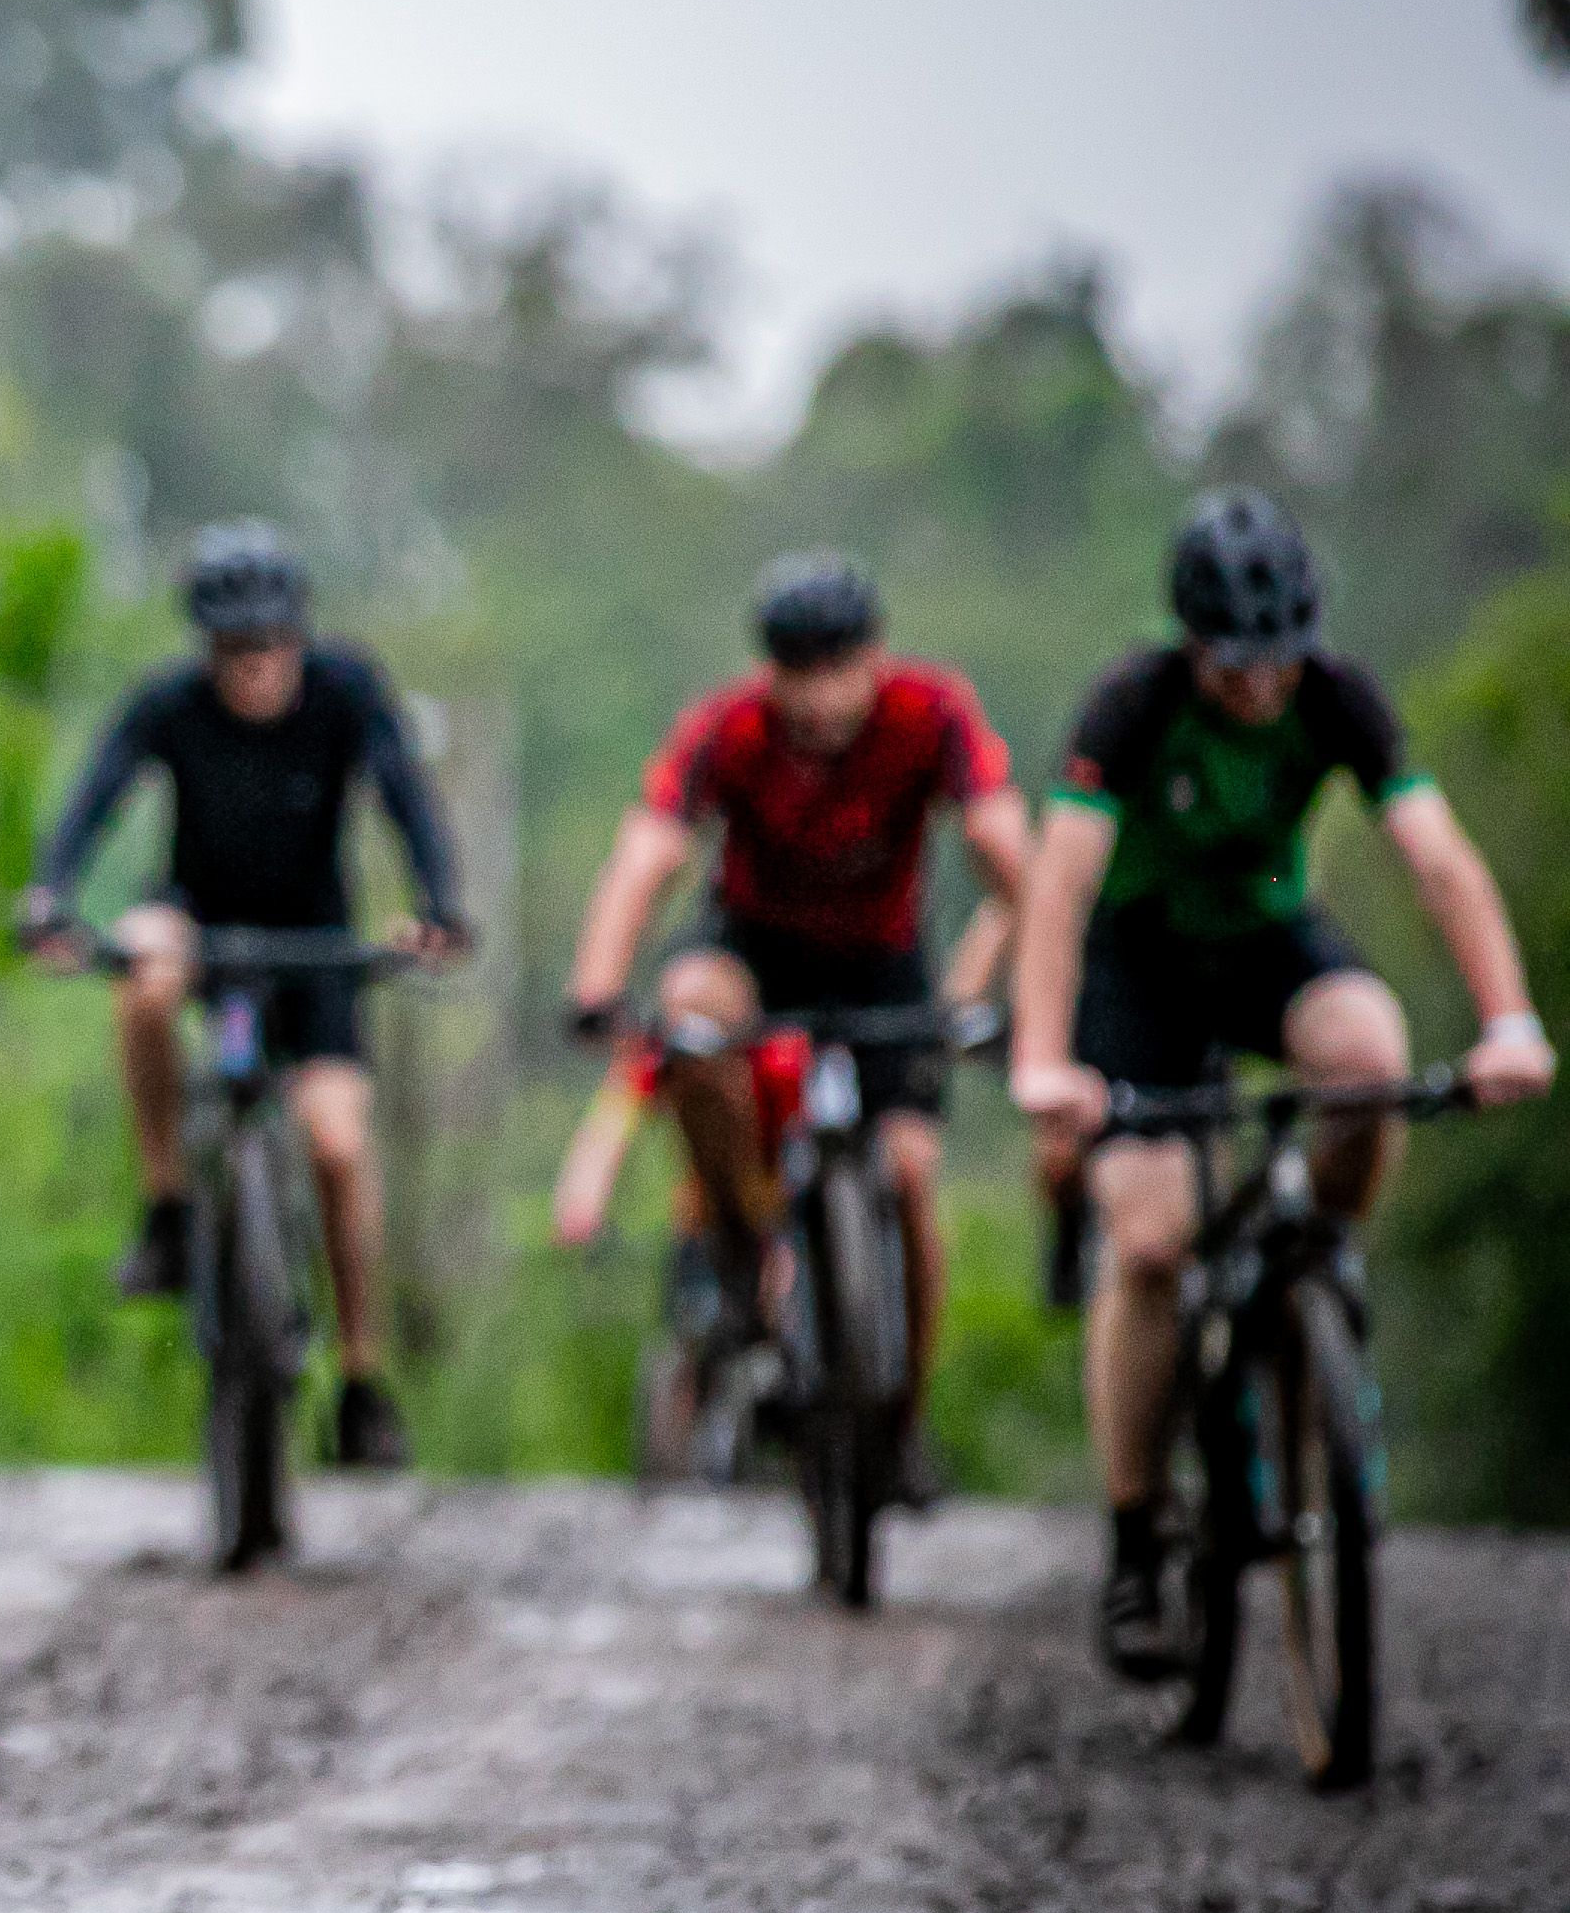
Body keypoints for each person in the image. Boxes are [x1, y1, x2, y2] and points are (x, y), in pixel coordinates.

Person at [1009, 489, 1549, 1680]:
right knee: (1151, 1241)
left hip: (1265, 943)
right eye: (1234, 666)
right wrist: (1045, 1058)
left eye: (1280, 661)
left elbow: (1439, 863)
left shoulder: (1341, 697)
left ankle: (1321, 1261)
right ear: (1191, 645)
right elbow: (1058, 885)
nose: (1261, 687)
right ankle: (1137, 1537)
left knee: (1370, 1058)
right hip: (1141, 965)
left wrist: (1509, 1022)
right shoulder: (1132, 703)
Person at [15, 521, 466, 1472]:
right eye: (232, 651)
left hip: (316, 943)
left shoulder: (348, 692)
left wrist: (439, 907)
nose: (253, 669)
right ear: (207, 649)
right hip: (200, 920)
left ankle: (360, 1378)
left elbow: (405, 798)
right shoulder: (169, 705)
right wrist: (50, 898)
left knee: (338, 1145)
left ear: (299, 637)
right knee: (143, 976)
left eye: (269, 647)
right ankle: (169, 1207)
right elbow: (96, 796)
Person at [558, 552, 1031, 1435]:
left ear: (875, 657)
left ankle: (903, 1420)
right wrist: (596, 985)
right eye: (797, 673)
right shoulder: (730, 728)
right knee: (691, 1012)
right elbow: (651, 852)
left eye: (837, 669)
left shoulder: (931, 713)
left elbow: (1001, 842)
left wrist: (1034, 990)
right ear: (768, 671)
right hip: (755, 948)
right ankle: (741, 1237)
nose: (818, 698)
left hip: (881, 960)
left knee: (911, 1175)